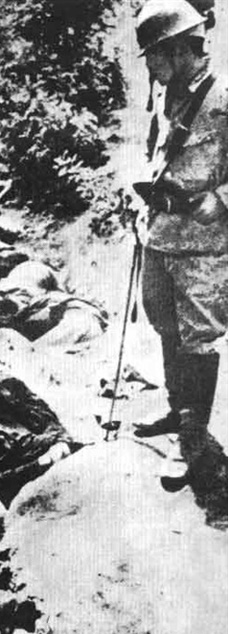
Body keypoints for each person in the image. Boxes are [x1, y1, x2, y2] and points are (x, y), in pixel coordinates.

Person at [132, 0, 228, 491]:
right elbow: (156, 152)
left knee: (197, 337)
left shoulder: (223, 97)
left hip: (204, 243)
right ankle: (178, 410)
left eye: (155, 54)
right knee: (163, 322)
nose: (150, 64)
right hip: (160, 234)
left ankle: (192, 440)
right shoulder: (166, 94)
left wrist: (221, 200)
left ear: (178, 49)